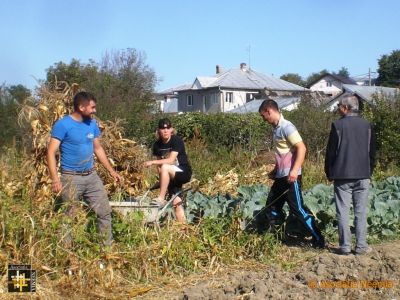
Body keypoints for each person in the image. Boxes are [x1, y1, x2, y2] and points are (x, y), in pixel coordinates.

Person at [47, 91, 122, 248]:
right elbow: (51, 152)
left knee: (104, 212)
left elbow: (98, 148)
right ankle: (66, 254)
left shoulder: (92, 124)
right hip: (71, 178)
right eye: (92, 107)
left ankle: (106, 251)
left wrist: (111, 170)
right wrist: (55, 179)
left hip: (91, 176)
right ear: (81, 107)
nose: (95, 111)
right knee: (69, 217)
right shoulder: (63, 125)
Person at [258, 99, 325, 248]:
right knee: (271, 207)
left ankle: (318, 239)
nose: (264, 120)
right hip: (281, 176)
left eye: (264, 116)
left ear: (269, 111)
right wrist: (276, 170)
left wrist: (294, 171)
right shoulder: (276, 129)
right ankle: (278, 237)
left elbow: (302, 148)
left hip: (291, 177)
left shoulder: (287, 127)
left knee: (298, 210)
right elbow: (283, 153)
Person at [325, 93, 376, 255]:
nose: (338, 108)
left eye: (339, 106)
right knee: (361, 212)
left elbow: (330, 153)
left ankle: (345, 246)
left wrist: (329, 172)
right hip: (363, 175)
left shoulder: (337, 126)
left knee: (343, 212)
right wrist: (369, 171)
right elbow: (372, 153)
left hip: (342, 176)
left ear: (345, 108)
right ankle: (361, 246)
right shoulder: (367, 125)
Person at [144, 118, 192, 223]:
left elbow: (170, 160)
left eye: (168, 128)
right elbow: (159, 168)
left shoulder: (176, 140)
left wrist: (152, 162)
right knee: (176, 201)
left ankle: (160, 199)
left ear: (171, 129)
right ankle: (183, 226)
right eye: (162, 128)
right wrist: (162, 181)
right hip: (170, 175)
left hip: (183, 172)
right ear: (158, 130)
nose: (165, 131)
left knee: (165, 166)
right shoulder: (157, 145)